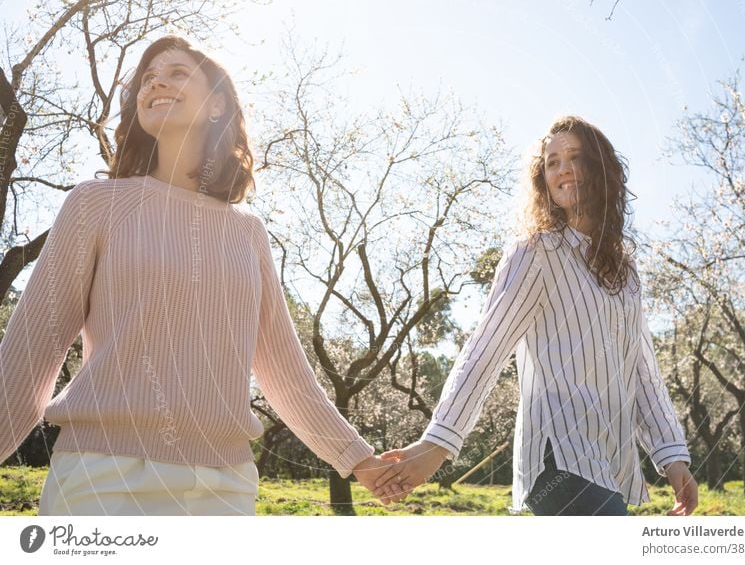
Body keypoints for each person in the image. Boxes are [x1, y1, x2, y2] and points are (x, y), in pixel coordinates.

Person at [0, 35, 401, 515]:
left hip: (223, 487)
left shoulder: (247, 231)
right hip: (100, 476)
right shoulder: (95, 205)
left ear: (217, 104)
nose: (155, 84)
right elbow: (31, 350)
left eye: (175, 73)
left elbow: (284, 369)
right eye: (146, 79)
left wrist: (358, 460)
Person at [375, 115, 699, 516]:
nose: (562, 168)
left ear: (601, 169)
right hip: (558, 458)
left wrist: (673, 458)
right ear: (542, 178)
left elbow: (642, 371)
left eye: (575, 157)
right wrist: (436, 444)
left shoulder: (626, 273)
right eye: (552, 162)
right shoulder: (536, 253)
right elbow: (486, 350)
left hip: (609, 463)